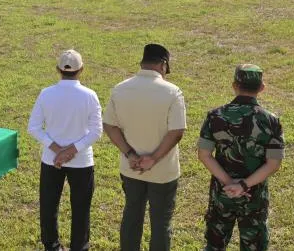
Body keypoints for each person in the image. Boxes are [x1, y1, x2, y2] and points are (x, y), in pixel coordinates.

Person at [102, 44, 186, 251]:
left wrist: (130, 153)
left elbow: (109, 125)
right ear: (163, 65)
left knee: (132, 215)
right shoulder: (172, 92)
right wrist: (154, 159)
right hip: (163, 171)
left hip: (131, 168)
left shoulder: (120, 89)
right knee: (160, 223)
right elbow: (176, 132)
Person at [198, 65, 284, 250]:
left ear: (234, 85)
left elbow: (204, 155)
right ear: (262, 87)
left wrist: (230, 183)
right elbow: (273, 164)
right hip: (255, 195)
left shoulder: (215, 116)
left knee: (215, 245)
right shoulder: (271, 120)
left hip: (222, 193)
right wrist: (243, 186)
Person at [27, 49, 102, 251]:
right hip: (82, 161)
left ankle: (52, 247)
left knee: (49, 206)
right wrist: (71, 151)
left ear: (58, 69)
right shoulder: (90, 95)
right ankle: (80, 247)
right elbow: (96, 131)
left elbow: (33, 128)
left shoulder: (46, 94)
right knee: (81, 208)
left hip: (52, 160)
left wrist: (58, 150)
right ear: (82, 70)